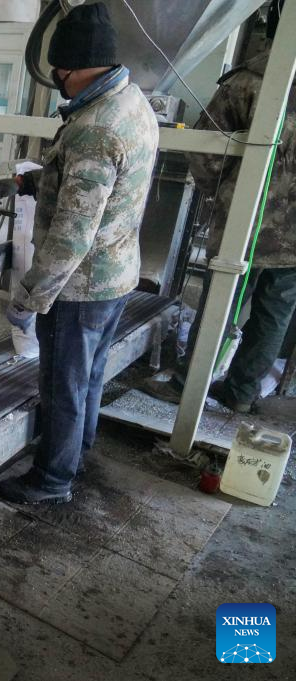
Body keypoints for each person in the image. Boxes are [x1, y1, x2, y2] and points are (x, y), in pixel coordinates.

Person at [0, 2, 159, 505]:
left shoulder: (94, 127)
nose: (58, 81)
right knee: (87, 375)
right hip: (116, 274)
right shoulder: (130, 101)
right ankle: (76, 450)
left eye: (60, 72)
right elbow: (95, 185)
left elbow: (71, 233)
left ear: (75, 67)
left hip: (80, 286)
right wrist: (30, 182)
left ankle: (52, 479)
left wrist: (29, 297)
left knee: (62, 383)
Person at [142, 0, 295, 414]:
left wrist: (221, 191)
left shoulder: (248, 82)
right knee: (274, 314)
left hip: (246, 223)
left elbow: (206, 150)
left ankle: (189, 383)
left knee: (220, 306)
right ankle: (241, 393)